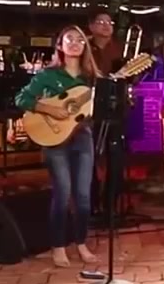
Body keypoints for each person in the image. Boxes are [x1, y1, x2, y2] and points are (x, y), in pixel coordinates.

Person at [14, 25, 101, 269]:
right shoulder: (48, 75)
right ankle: (58, 246)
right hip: (54, 139)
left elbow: (100, 109)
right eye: (69, 39)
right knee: (62, 193)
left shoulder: (92, 78)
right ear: (60, 46)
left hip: (82, 136)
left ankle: (81, 242)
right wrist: (49, 109)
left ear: (85, 46)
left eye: (79, 40)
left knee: (83, 196)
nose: (74, 43)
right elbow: (21, 98)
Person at [86, 8, 124, 72]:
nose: (106, 25)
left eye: (109, 22)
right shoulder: (85, 47)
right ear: (91, 27)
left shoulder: (121, 48)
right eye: (101, 22)